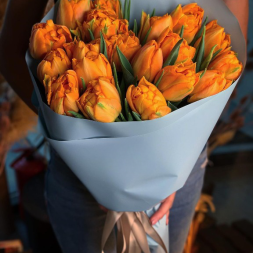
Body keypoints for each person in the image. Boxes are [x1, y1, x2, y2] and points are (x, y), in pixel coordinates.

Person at [0, 0, 248, 252]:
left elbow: (232, 54)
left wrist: (174, 163)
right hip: (80, 171)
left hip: (181, 169)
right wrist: (81, 138)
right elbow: (11, 51)